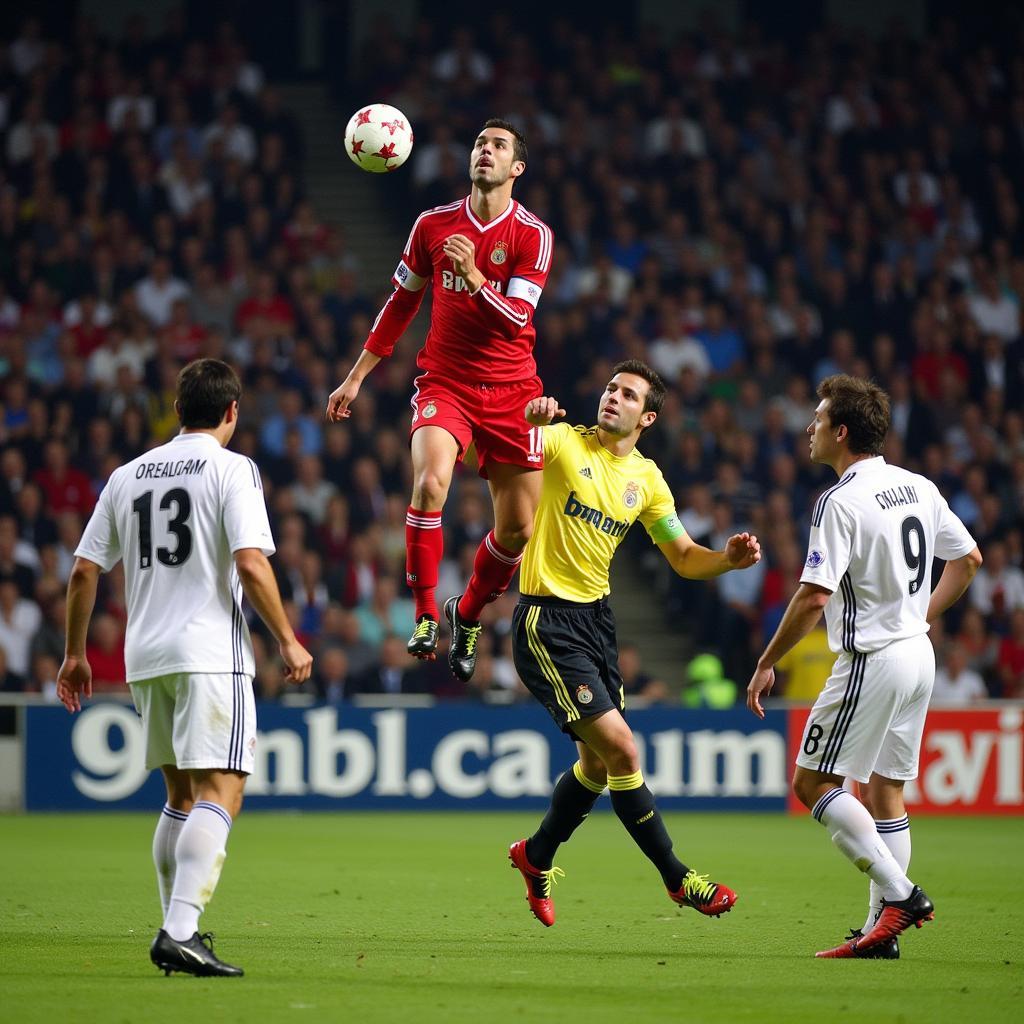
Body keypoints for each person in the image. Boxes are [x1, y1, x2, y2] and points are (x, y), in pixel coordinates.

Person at [56, 359, 313, 978]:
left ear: (177, 410)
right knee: (222, 791)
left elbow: (84, 570)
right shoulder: (233, 468)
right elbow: (251, 564)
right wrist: (287, 639)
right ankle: (179, 931)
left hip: (145, 656)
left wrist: (74, 653)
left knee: (179, 796)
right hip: (209, 653)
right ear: (231, 413)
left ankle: (177, 925)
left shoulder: (129, 474)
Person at [507, 359, 761, 927]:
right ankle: (678, 878)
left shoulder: (646, 480)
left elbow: (684, 557)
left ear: (646, 416)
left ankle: (536, 854)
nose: (612, 398)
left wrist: (727, 559)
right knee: (623, 749)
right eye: (609, 388)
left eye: (627, 394)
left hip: (597, 624)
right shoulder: (560, 443)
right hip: (545, 620)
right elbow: (492, 455)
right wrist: (524, 422)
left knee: (597, 768)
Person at [746, 374, 981, 959]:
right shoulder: (918, 487)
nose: (809, 428)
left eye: (819, 419)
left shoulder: (839, 499)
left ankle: (900, 896)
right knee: (885, 790)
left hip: (872, 659)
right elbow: (970, 558)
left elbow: (814, 596)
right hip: (917, 654)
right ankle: (882, 934)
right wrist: (918, 613)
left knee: (811, 781)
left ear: (841, 432)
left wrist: (766, 661)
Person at [326, 119, 552, 683]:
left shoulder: (532, 235)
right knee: (429, 483)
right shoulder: (432, 224)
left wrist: (475, 277)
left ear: (516, 168)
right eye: (479, 142)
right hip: (444, 382)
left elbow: (516, 321)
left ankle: (467, 613)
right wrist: (357, 376)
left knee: (519, 531)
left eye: (498, 146)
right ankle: (427, 613)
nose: (485, 150)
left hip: (512, 392)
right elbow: (401, 302)